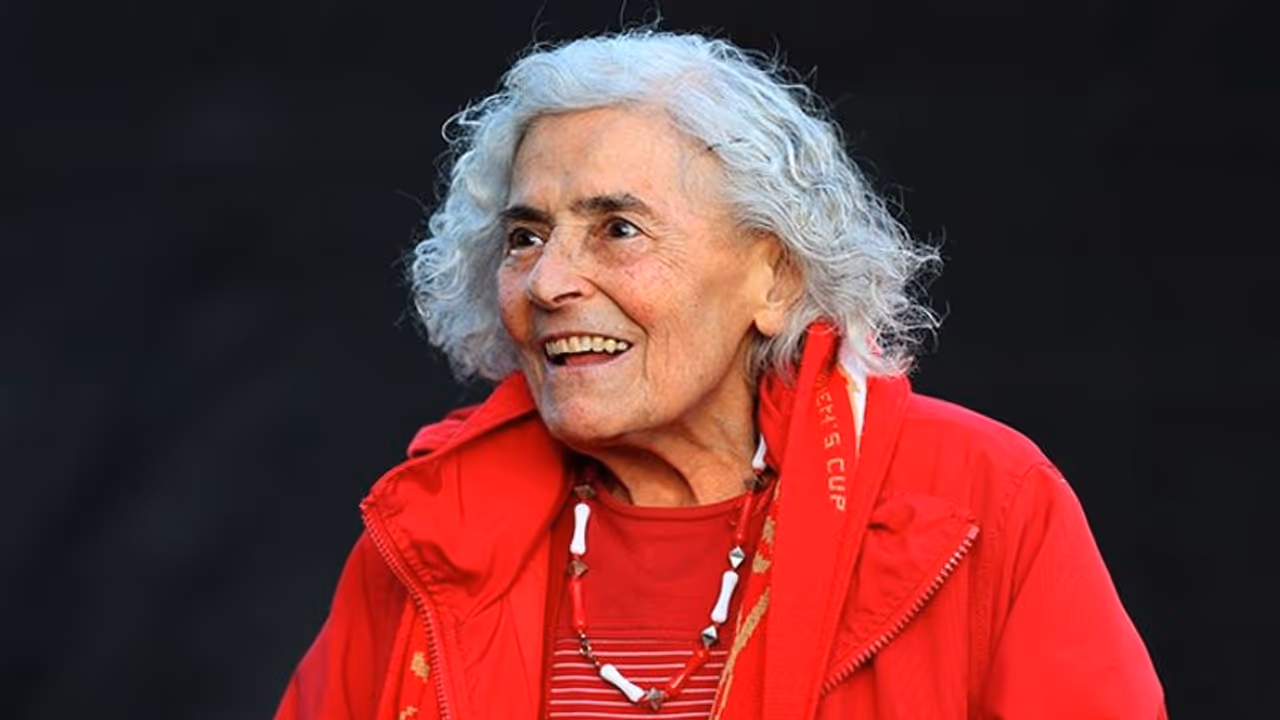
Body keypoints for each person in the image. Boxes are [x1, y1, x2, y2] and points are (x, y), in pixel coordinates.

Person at [273, 29, 1166, 720]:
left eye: (618, 229)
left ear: (774, 277)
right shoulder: (432, 526)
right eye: (525, 236)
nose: (548, 283)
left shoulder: (982, 504)